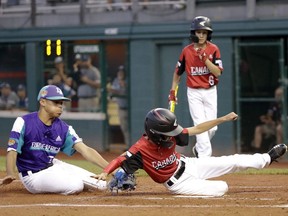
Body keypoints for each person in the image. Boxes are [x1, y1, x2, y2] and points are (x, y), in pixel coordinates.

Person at [95, 108, 287, 197]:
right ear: (154, 133)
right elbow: (121, 158)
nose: (173, 135)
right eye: (168, 132)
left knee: (233, 161)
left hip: (189, 164)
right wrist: (106, 171)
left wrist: (223, 118)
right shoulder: (140, 149)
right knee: (222, 188)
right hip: (178, 183)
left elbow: (197, 129)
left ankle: (267, 158)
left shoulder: (170, 132)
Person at [2, 85, 109, 195]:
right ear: (43, 102)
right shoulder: (23, 122)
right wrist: (10, 173)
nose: (60, 107)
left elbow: (85, 150)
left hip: (53, 165)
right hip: (33, 176)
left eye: (61, 103)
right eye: (55, 102)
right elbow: (12, 150)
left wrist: (111, 168)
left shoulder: (64, 128)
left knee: (101, 185)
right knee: (75, 185)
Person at [168, 16, 223, 158]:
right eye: (199, 32)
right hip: (194, 92)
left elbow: (217, 73)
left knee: (212, 128)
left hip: (210, 91)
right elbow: (177, 73)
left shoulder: (214, 49)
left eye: (204, 32)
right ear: (194, 33)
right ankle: (204, 162)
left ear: (208, 34)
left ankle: (198, 148)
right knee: (201, 126)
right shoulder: (187, 51)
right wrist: (173, 91)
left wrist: (205, 60)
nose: (201, 35)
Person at [251, 86, 283, 152]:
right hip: (274, 126)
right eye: (276, 95)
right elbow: (269, 116)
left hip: (283, 127)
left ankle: (280, 152)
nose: (277, 97)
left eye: (279, 95)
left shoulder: (285, 104)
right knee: (258, 129)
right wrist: (266, 119)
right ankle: (257, 151)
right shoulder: (274, 104)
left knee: (279, 128)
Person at [108, 65, 129, 147]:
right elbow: (113, 90)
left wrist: (120, 86)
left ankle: (130, 146)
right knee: (124, 128)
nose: (120, 73)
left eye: (122, 72)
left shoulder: (127, 80)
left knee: (129, 129)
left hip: (129, 109)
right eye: (119, 71)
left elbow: (123, 91)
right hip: (121, 108)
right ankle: (128, 146)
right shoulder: (116, 80)